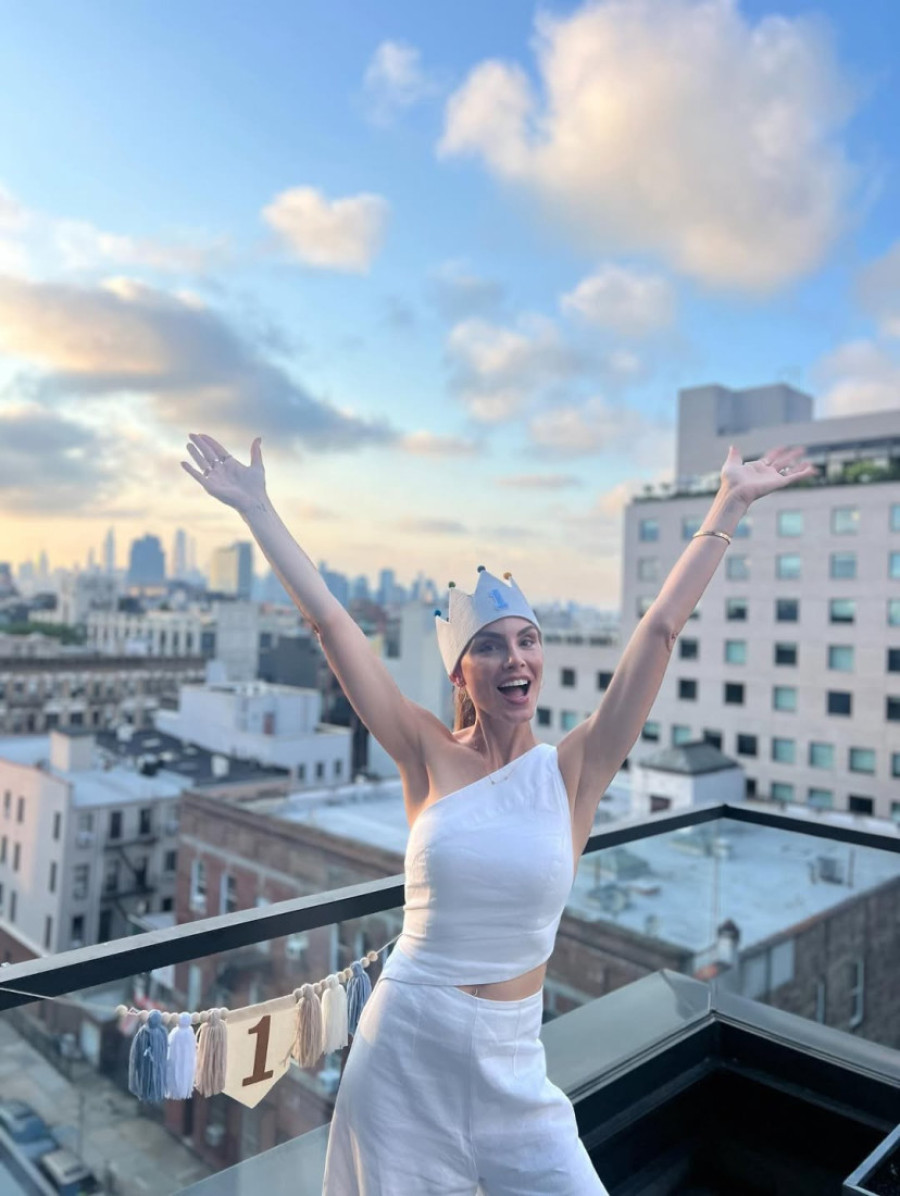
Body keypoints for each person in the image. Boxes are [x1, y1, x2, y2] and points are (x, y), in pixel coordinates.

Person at [182, 432, 817, 1195]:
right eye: (490, 647)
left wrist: (729, 503)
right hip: (404, 1051)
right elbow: (333, 626)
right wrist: (257, 509)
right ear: (460, 673)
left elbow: (659, 630)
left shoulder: (575, 769)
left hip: (513, 1066)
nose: (515, 658)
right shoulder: (423, 749)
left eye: (527, 641)